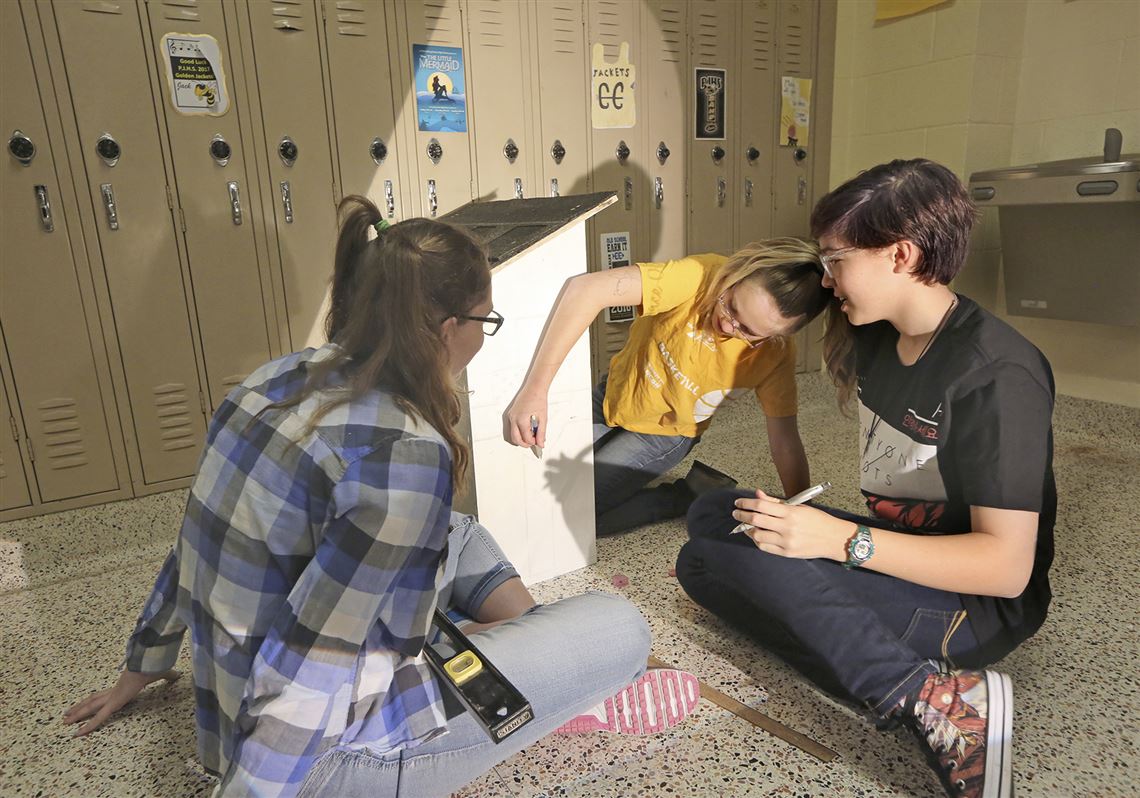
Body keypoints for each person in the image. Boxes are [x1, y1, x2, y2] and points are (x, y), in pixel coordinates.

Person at [64, 197, 698, 798]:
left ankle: (517, 676)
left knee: (462, 533)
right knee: (622, 627)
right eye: (487, 322)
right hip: (330, 761)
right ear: (451, 329)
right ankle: (547, 698)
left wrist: (140, 666)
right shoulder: (406, 453)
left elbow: (199, 540)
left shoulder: (270, 379)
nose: (484, 336)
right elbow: (308, 665)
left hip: (244, 706)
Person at [677, 159, 1056, 798]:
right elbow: (784, 296)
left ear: (900, 255)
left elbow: (1007, 569)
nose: (827, 278)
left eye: (835, 260)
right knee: (710, 530)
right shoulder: (876, 332)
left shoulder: (998, 374)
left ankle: (932, 701)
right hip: (902, 562)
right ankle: (889, 665)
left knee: (732, 558)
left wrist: (838, 543)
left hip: (974, 607)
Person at [503, 239, 833, 536]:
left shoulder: (775, 355)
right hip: (614, 396)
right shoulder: (700, 275)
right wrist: (535, 391)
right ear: (737, 273)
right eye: (731, 305)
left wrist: (798, 509)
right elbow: (586, 288)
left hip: (665, 434)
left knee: (575, 517)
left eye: (748, 331)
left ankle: (683, 496)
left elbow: (784, 440)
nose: (728, 325)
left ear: (775, 336)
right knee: (535, 492)